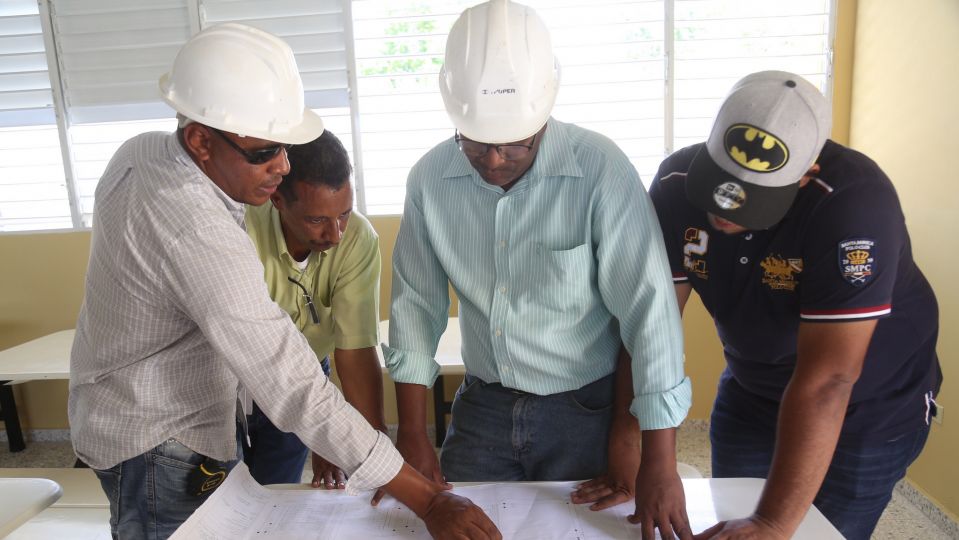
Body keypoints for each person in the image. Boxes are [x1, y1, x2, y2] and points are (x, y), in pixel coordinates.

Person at [68, 22, 499, 540]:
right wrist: (428, 500)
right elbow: (291, 384)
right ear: (200, 140)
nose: (281, 166)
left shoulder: (142, 152)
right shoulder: (195, 227)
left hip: (140, 413)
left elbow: (348, 354)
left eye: (285, 147)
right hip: (160, 440)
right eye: (263, 153)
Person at [382, 1, 693, 537]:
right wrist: (411, 431)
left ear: (545, 113)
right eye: (476, 142)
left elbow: (650, 314)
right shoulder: (431, 179)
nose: (495, 159)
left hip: (585, 407)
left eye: (516, 144)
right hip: (482, 405)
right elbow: (415, 305)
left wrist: (652, 454)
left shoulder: (599, 171)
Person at [648, 70, 942, 540]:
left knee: (815, 533)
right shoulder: (675, 183)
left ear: (806, 175)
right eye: (717, 191)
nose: (723, 216)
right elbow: (653, 331)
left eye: (750, 205)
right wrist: (654, 461)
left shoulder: (854, 204)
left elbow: (829, 381)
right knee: (731, 521)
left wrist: (771, 522)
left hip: (869, 408)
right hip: (753, 388)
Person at [241, 130, 388, 489]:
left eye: (344, 214)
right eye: (317, 220)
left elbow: (355, 351)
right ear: (276, 200)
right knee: (221, 499)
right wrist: (321, 424)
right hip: (233, 381)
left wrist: (372, 455)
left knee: (276, 495)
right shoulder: (241, 227)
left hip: (307, 372)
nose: (336, 234)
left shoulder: (358, 238)